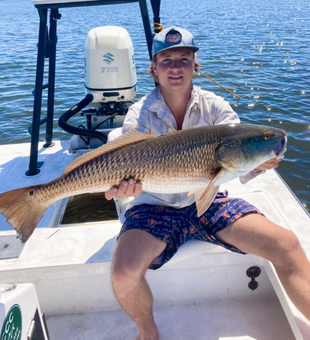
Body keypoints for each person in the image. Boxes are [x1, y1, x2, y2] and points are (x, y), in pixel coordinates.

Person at [105, 26, 310, 340]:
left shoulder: (216, 108)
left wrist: (261, 163)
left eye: (184, 59)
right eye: (166, 60)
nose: (175, 67)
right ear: (153, 69)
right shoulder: (140, 113)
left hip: (210, 200)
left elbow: (236, 161)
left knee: (288, 244)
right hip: (153, 207)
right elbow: (125, 160)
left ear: (195, 66)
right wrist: (125, 189)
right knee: (122, 272)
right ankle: (148, 333)